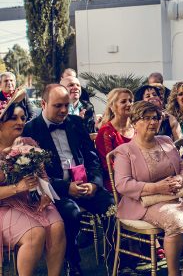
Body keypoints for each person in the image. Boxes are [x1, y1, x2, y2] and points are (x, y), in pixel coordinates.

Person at [22, 84, 114, 276]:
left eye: (66, 104)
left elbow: (92, 157)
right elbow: (35, 174)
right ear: (43, 103)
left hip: (85, 185)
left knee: (111, 205)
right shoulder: (30, 129)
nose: (64, 110)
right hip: (55, 190)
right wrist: (65, 187)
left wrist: (95, 184)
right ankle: (73, 261)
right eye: (58, 106)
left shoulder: (75, 123)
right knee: (70, 214)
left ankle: (115, 259)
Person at [113, 101, 183, 276]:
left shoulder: (166, 141)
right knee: (176, 224)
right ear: (134, 122)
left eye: (155, 118)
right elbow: (122, 184)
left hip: (176, 197)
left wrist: (182, 178)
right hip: (144, 202)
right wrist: (156, 187)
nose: (152, 122)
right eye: (146, 118)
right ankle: (173, 273)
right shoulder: (125, 151)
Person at [0, 89, 66, 276]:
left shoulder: (28, 142)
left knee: (57, 226)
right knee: (34, 232)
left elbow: (42, 175)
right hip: (4, 205)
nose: (21, 122)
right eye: (14, 118)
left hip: (31, 199)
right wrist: (17, 187)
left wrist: (46, 195)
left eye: (23, 117)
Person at [95, 88, 134, 191]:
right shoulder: (106, 131)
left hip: (140, 175)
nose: (129, 104)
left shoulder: (137, 127)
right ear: (112, 107)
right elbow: (109, 166)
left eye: (130, 100)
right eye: (123, 101)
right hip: (118, 181)